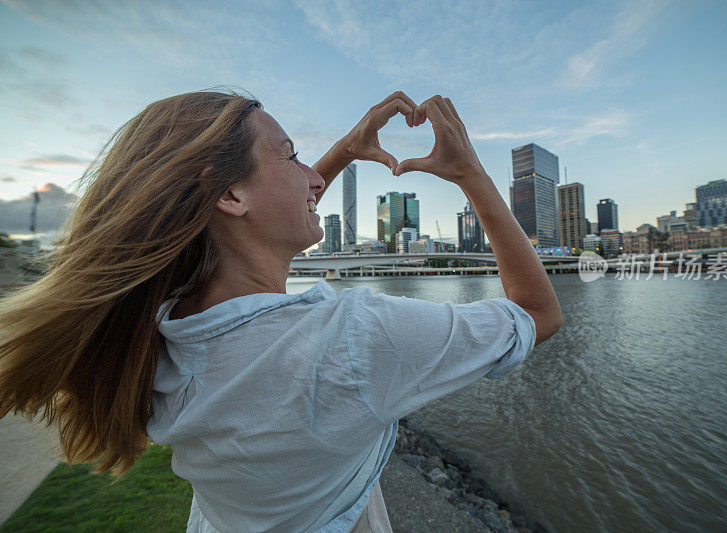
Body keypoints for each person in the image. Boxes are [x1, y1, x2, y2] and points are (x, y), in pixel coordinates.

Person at [0, 89, 561, 532]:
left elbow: (255, 260)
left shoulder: (166, 325)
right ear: (229, 197)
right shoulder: (353, 340)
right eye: (292, 157)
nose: (314, 177)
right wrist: (470, 173)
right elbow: (537, 313)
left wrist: (344, 148)